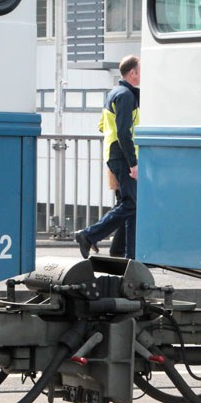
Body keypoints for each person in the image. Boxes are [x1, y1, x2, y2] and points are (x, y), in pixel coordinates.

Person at [75, 55, 140, 260]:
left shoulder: (114, 93)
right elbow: (123, 132)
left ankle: (127, 255)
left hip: (113, 154)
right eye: (141, 70)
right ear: (133, 73)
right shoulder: (126, 95)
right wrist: (133, 162)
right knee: (130, 204)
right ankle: (89, 235)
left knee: (131, 205)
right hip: (122, 156)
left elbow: (102, 125)